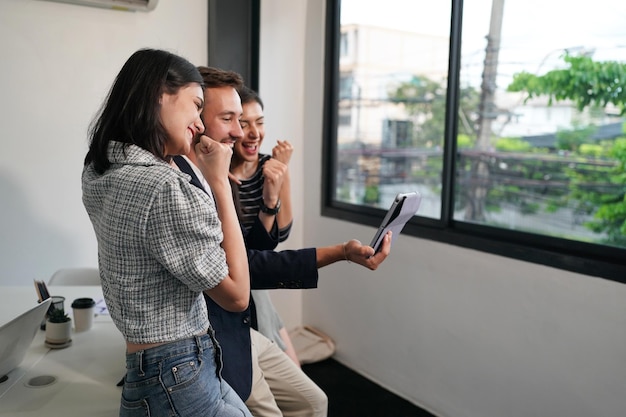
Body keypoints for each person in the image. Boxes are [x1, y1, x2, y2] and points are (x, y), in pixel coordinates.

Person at [173, 65, 392, 417]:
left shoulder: (237, 172)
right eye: (232, 119)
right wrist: (340, 253)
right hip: (215, 326)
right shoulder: (190, 182)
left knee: (314, 400)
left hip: (241, 311)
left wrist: (272, 198)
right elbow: (244, 270)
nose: (243, 130)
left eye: (251, 121)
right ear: (198, 120)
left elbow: (262, 248)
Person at [81, 49, 253, 417]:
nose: (201, 123)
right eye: (196, 105)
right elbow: (237, 295)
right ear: (160, 93)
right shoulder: (162, 186)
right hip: (177, 369)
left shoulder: (99, 169)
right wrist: (219, 183)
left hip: (159, 367)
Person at [234, 85, 299, 366]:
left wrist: (279, 177)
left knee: (294, 368)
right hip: (236, 278)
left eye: (259, 123)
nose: (254, 133)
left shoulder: (271, 167)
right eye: (243, 123)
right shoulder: (215, 174)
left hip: (257, 278)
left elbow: (280, 235)